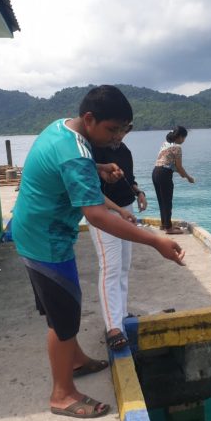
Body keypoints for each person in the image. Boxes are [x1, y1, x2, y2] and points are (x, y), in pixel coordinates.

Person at [12, 85, 185, 419]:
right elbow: (95, 215)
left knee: (58, 308)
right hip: (46, 242)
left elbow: (67, 171)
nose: (116, 138)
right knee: (64, 318)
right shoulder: (78, 153)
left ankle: (74, 359)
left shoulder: (64, 129)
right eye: (111, 129)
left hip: (34, 233)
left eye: (123, 130)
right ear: (89, 119)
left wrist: (98, 170)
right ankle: (62, 394)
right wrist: (155, 241)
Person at [89, 124, 146, 351]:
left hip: (126, 208)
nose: (119, 136)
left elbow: (129, 180)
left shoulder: (125, 151)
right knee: (110, 267)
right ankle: (113, 327)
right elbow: (93, 191)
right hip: (105, 213)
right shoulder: (95, 151)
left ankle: (121, 314)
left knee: (124, 265)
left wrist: (139, 192)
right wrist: (120, 211)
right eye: (116, 130)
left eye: (124, 131)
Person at [152, 126, 195, 234]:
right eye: (184, 138)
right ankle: (169, 228)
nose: (184, 140)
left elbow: (171, 164)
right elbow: (179, 167)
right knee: (167, 201)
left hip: (155, 172)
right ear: (180, 137)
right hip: (164, 174)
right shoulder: (177, 147)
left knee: (161, 201)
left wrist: (182, 175)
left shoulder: (165, 144)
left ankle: (164, 224)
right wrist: (189, 177)